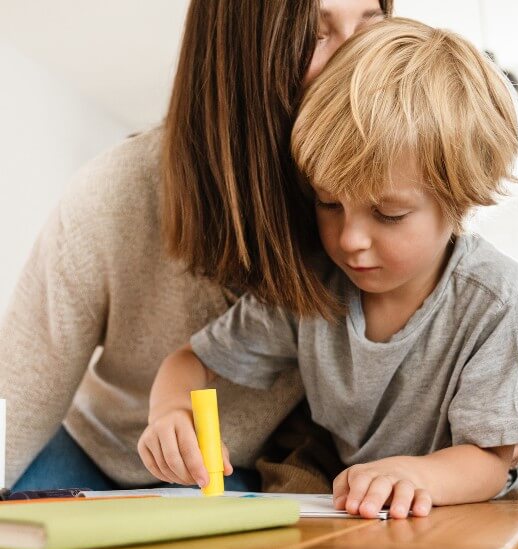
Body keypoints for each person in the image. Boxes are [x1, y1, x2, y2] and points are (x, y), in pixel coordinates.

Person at [138, 17, 518, 519]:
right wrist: (168, 411)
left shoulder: (498, 300)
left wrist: (415, 475)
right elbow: (190, 360)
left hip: (458, 496)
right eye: (329, 204)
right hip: (341, 491)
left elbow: (492, 462)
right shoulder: (315, 282)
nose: (350, 240)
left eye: (388, 214)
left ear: (461, 200)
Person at [1, 0, 393, 491]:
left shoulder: (382, 207)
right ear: (239, 55)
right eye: (313, 35)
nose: (357, 63)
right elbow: (13, 403)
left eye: (370, 25)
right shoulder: (113, 192)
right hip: (93, 452)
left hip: (235, 472)